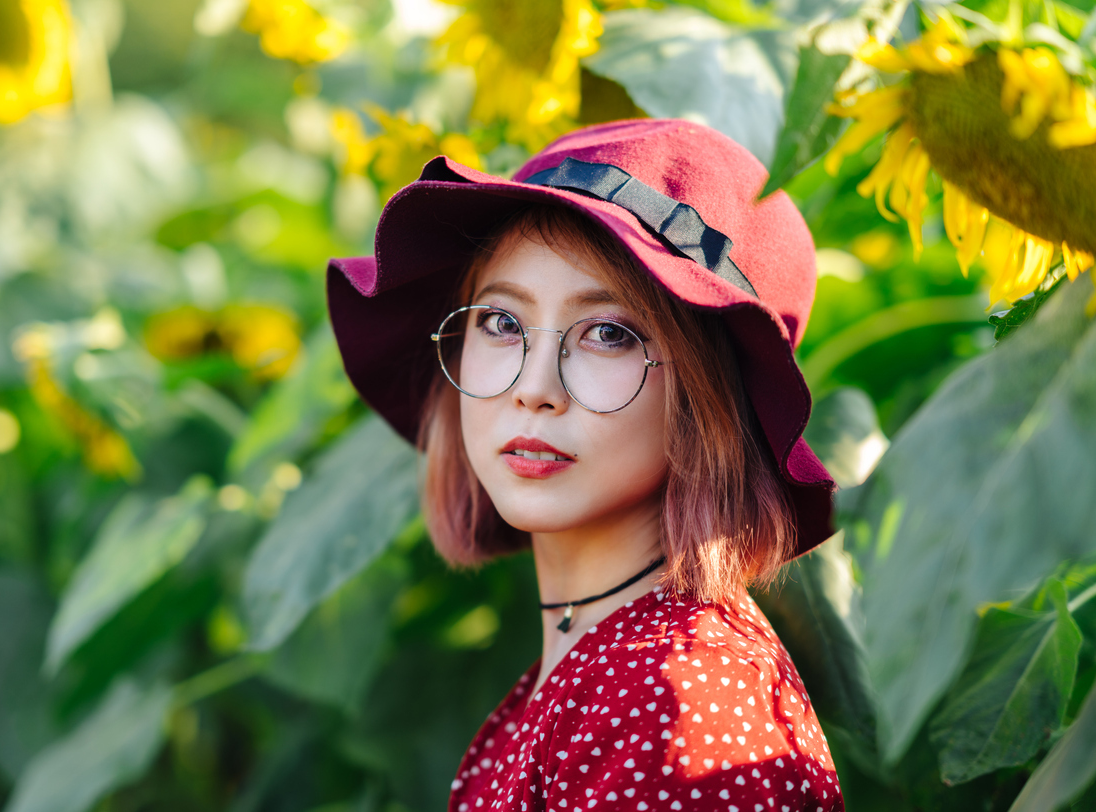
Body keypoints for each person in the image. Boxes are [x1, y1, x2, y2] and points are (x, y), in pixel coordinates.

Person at [327, 119, 843, 811]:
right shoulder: (604, 668)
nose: (533, 386)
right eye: (502, 323)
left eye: (607, 334)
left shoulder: (674, 700)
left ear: (710, 398)